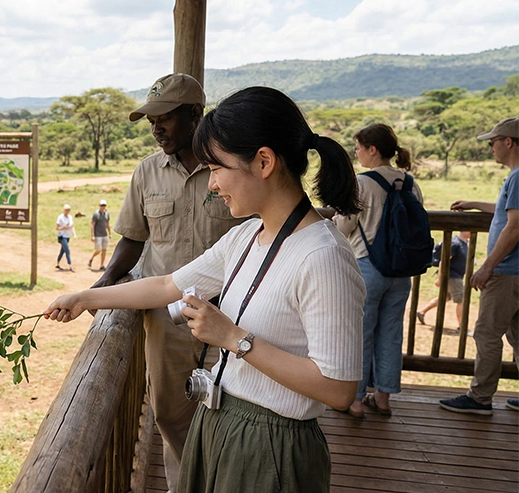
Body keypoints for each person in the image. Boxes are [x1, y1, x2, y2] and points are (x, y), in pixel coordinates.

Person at [50, 86, 364, 492]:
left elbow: (338, 389)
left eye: (217, 168)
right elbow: (166, 284)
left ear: (264, 161)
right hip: (223, 422)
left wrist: (232, 338)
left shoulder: (323, 256)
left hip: (271, 445)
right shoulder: (249, 234)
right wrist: (84, 298)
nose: (212, 184)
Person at [91, 73, 243, 490]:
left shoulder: (231, 169)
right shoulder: (147, 172)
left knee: (232, 410)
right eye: (150, 121)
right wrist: (104, 286)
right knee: (170, 413)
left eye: (164, 118)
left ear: (195, 113)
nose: (155, 128)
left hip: (231, 315)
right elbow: (133, 239)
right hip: (166, 318)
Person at [332, 123, 423, 418]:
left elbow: (344, 225)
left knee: (360, 333)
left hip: (367, 268)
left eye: (358, 147)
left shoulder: (362, 183)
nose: (356, 152)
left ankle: (355, 400)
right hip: (401, 272)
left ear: (373, 149)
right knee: (391, 333)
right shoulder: (409, 182)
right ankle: (383, 398)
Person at [440, 117, 519, 415]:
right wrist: (476, 204)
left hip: (506, 271)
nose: (490, 149)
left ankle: (480, 397)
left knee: (486, 333)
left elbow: (514, 226)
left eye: (492, 142)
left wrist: (488, 266)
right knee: (517, 335)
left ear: (508, 142)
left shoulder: (517, 177)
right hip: (515, 272)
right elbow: (507, 210)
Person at [417, 231, 471, 327]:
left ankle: (422, 312)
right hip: (453, 276)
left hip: (455, 276)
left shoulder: (464, 243)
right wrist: (440, 278)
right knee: (461, 300)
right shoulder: (455, 244)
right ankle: (462, 327)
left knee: (445, 297)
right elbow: (444, 261)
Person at [88, 199, 111, 270]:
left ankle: (102, 265)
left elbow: (108, 224)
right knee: (98, 250)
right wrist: (92, 235)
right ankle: (91, 258)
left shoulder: (107, 213)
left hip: (104, 234)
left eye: (104, 205)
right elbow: (92, 225)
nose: (103, 207)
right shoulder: (96, 214)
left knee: (104, 250)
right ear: (99, 206)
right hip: (98, 235)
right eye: (101, 205)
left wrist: (110, 233)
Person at [55, 204, 75, 271]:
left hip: (67, 236)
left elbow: (72, 226)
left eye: (68, 210)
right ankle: (70, 265)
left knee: (62, 251)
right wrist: (63, 228)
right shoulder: (60, 217)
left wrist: (74, 234)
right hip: (62, 236)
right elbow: (57, 228)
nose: (67, 211)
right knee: (67, 250)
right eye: (66, 210)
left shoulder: (70, 217)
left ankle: (57, 263)